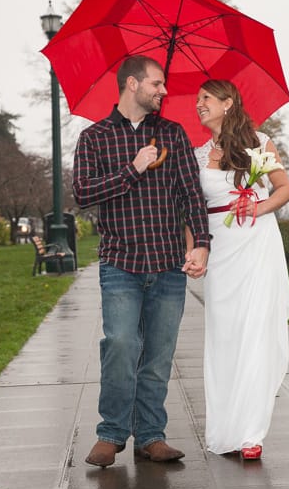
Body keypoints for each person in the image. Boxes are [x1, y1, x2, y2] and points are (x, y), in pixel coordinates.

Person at [73, 55, 211, 468]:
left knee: (158, 353)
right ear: (132, 84)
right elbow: (82, 194)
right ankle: (111, 434)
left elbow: (191, 195)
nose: (163, 90)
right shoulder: (94, 138)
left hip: (168, 263)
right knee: (119, 344)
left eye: (163, 84)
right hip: (121, 263)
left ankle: (151, 435)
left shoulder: (172, 133)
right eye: (157, 83)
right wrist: (133, 168)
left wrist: (201, 243)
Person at [193, 79, 289, 460]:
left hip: (256, 243)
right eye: (197, 99)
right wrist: (194, 251)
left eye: (205, 98)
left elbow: (283, 189)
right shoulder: (199, 154)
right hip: (220, 247)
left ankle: (252, 433)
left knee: (254, 333)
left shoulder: (259, 143)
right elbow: (192, 209)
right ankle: (225, 429)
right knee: (224, 336)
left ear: (227, 102)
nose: (198, 104)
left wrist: (257, 207)